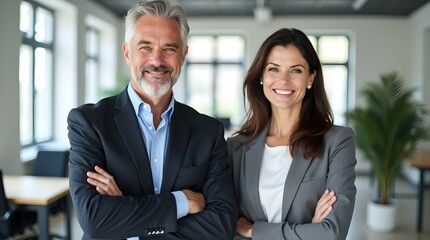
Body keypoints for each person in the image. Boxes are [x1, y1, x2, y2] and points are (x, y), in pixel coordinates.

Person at [66, 0, 237, 239]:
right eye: (145, 47)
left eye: (169, 49)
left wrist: (126, 218)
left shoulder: (208, 131)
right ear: (127, 53)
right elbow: (94, 219)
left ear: (183, 55)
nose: (157, 61)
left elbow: (221, 224)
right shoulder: (89, 123)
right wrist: (182, 202)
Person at [226, 28, 357, 240]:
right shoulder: (236, 147)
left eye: (295, 70)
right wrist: (308, 232)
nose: (284, 80)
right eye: (274, 69)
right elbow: (224, 224)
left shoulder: (338, 142)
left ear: (310, 78)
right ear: (261, 76)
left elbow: (332, 233)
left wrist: (253, 231)